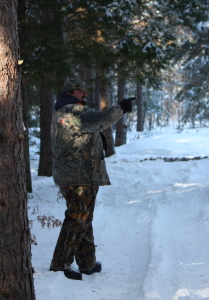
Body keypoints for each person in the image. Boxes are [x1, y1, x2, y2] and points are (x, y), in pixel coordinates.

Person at [49, 78, 134, 280]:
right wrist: (120, 108)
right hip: (80, 174)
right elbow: (99, 120)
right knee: (77, 219)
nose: (85, 94)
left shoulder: (62, 111)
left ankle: (87, 262)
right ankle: (60, 263)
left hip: (74, 174)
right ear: (71, 91)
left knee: (82, 219)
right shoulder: (73, 110)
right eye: (81, 91)